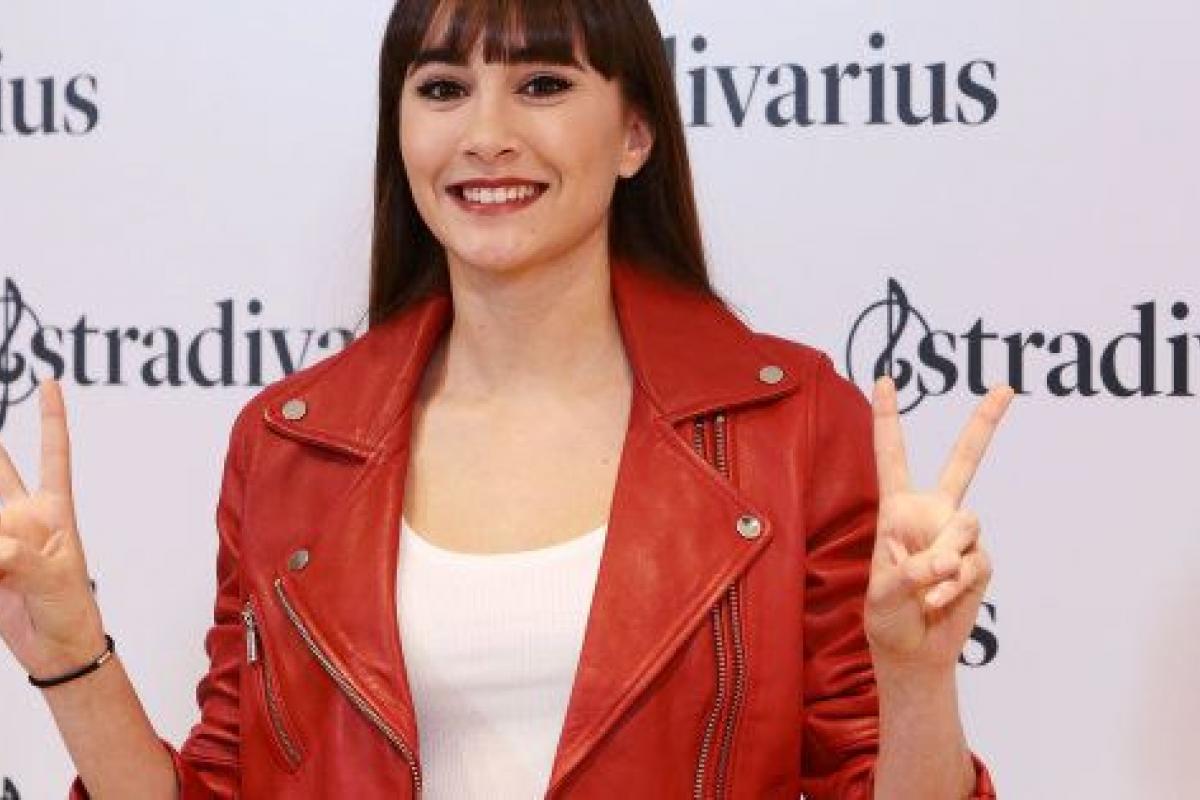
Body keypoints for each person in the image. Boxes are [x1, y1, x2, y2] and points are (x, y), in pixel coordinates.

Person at [0, 0, 1012, 797]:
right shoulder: (290, 444)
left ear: (635, 134)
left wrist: (916, 677)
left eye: (542, 84)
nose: (485, 134)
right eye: (443, 88)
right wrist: (70, 655)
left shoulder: (792, 424)